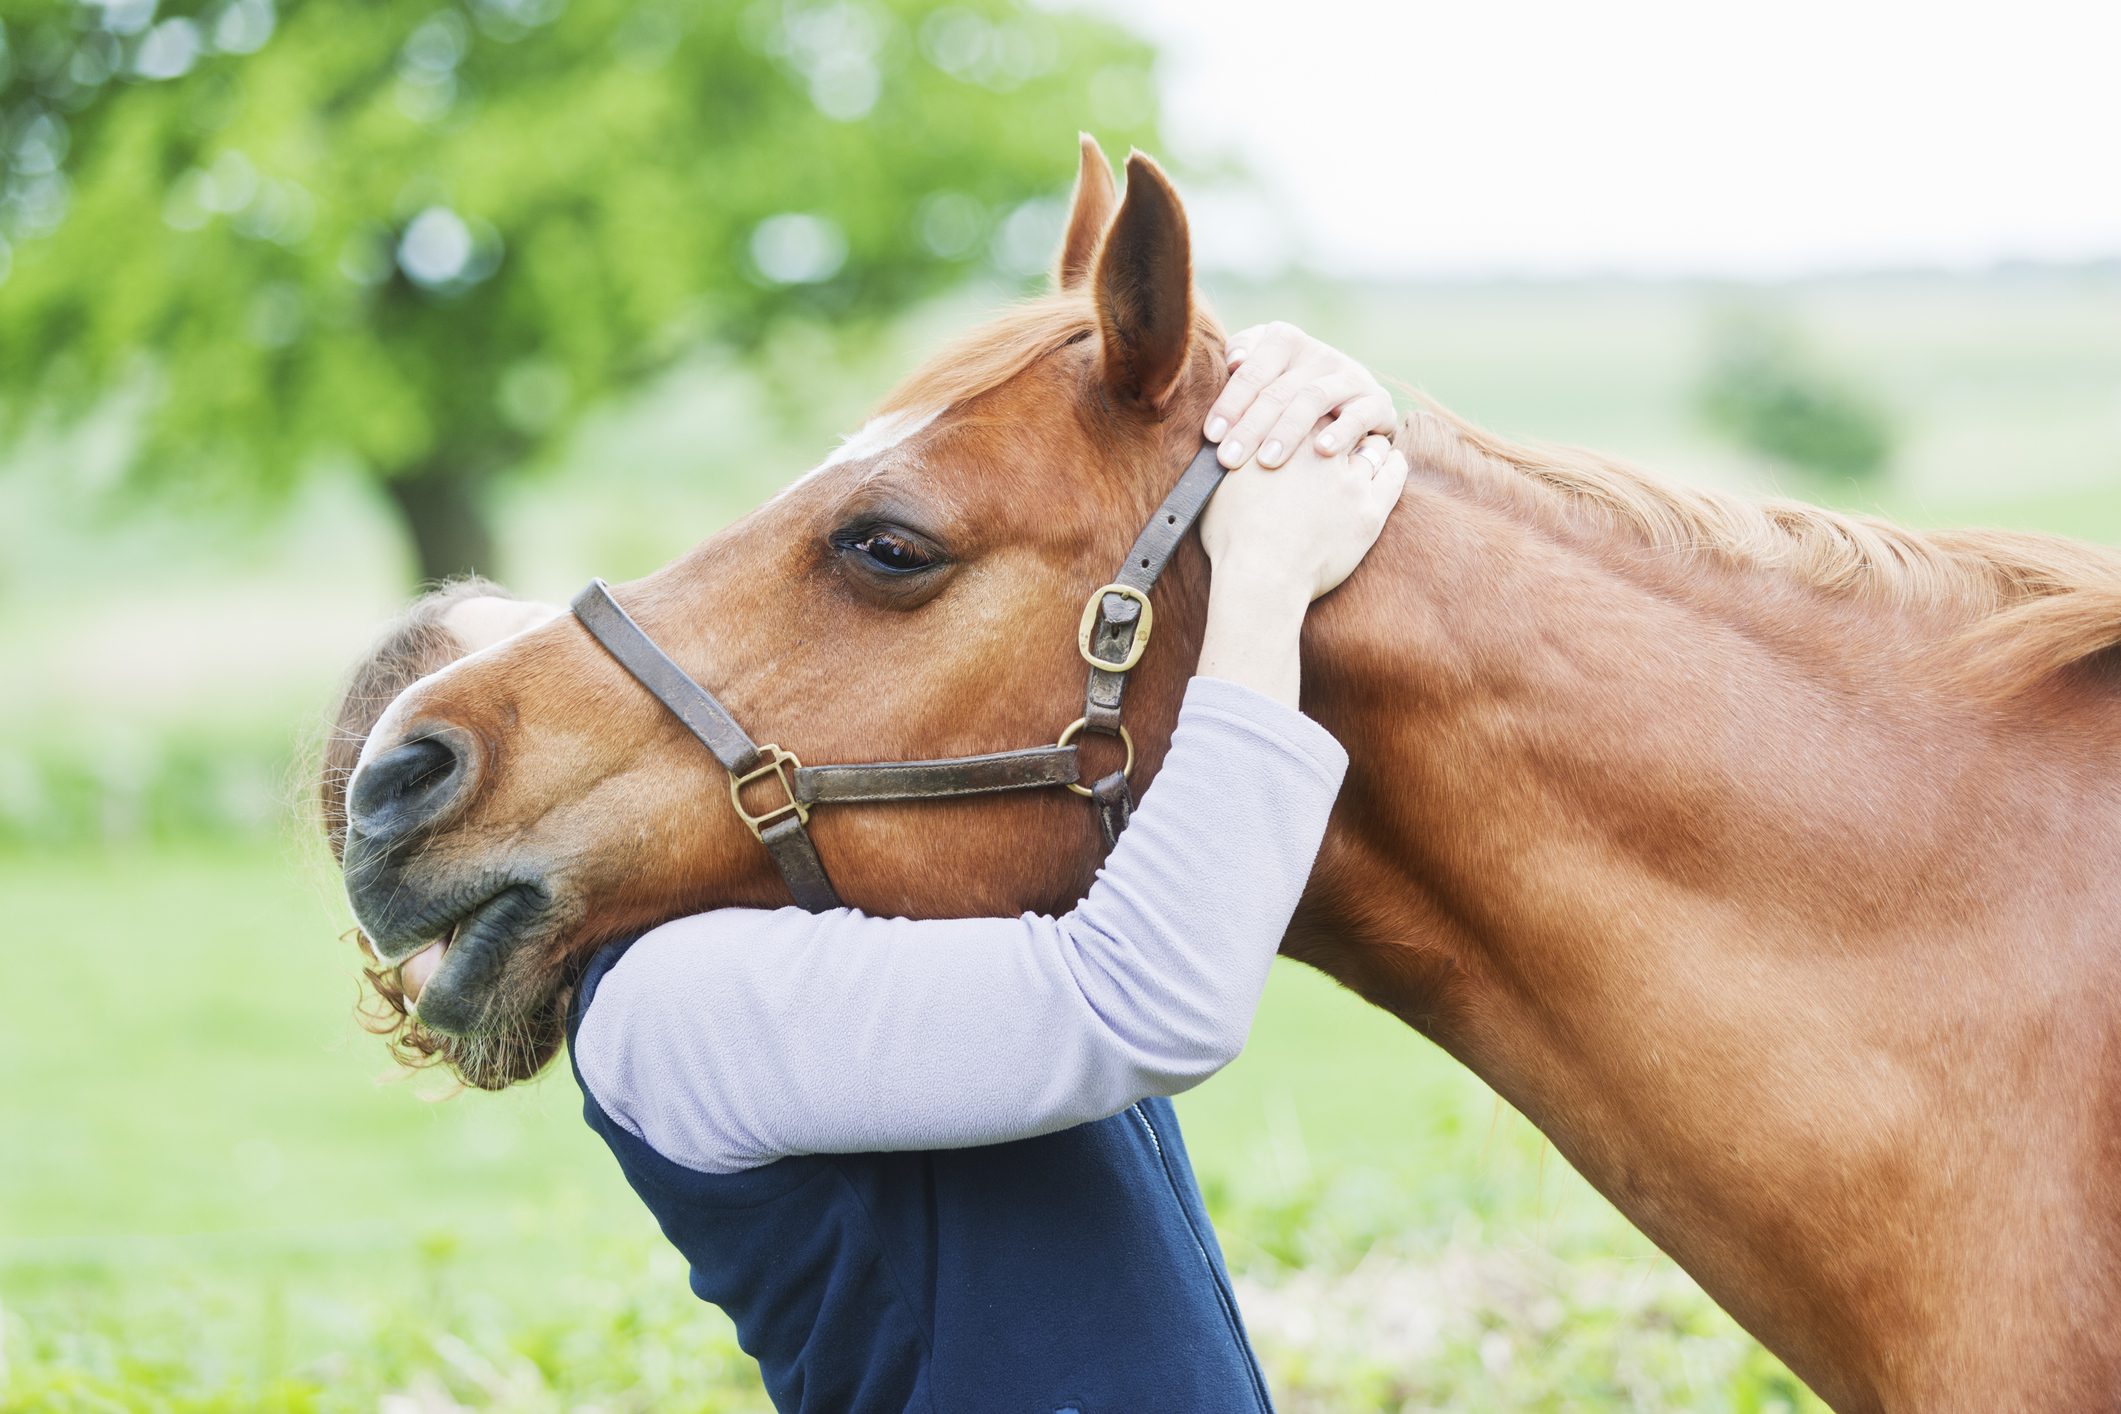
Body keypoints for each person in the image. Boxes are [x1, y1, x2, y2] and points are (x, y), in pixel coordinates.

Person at [322, 323, 1406, 1412]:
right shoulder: (662, 1010)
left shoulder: (827, 909)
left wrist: (1280, 407)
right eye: (518, 676)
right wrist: (1267, 571)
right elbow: (1138, 1000)